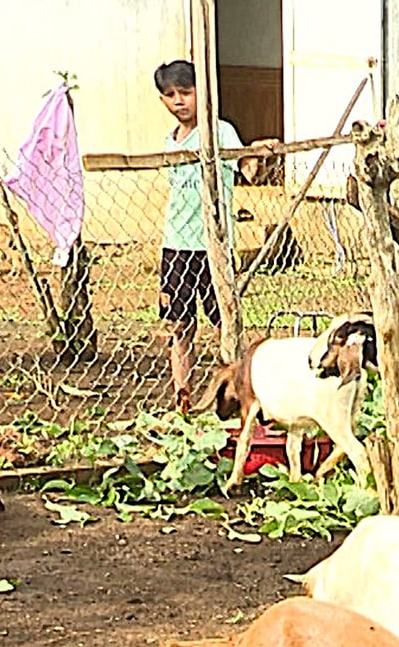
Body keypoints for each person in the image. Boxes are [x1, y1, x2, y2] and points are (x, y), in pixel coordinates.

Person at [154, 59, 241, 414]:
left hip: (213, 244)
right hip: (176, 245)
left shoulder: (220, 133)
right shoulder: (169, 142)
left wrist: (260, 158)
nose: (179, 101)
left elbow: (245, 166)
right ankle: (183, 395)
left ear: (201, 94)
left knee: (225, 321)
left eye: (185, 93)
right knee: (181, 325)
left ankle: (233, 388)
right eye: (170, 95)